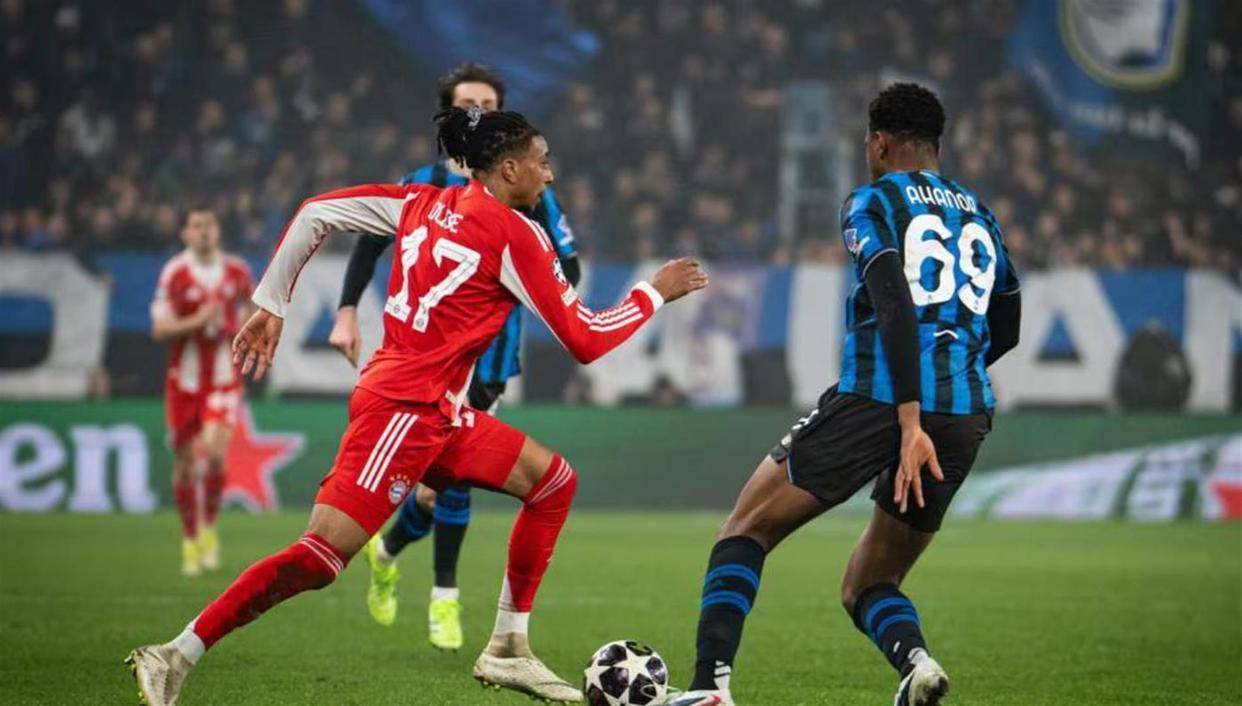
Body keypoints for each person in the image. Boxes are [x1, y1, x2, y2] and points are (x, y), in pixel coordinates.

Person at [127, 106, 708, 706]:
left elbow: (315, 212)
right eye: (542, 162)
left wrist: (272, 301)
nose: (550, 175)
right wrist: (652, 293)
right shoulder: (516, 233)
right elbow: (584, 339)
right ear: (509, 169)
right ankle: (174, 654)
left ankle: (508, 647)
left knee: (553, 482)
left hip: (435, 410)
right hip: (403, 412)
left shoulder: (420, 202)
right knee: (320, 557)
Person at [669, 83, 1021, 706]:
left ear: (879, 143)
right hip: (964, 412)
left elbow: (893, 299)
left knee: (745, 528)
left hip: (879, 399)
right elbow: (1009, 323)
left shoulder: (872, 201)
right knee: (870, 581)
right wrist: (947, 383)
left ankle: (709, 688)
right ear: (936, 145)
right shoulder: (981, 215)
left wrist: (909, 418)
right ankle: (916, 664)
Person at [328, 63, 581, 651]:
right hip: (423, 359)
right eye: (468, 105)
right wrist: (346, 309)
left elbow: (569, 268)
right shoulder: (420, 184)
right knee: (436, 487)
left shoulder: (530, 192)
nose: (478, 113)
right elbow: (368, 246)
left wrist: (527, 271)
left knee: (440, 487)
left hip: (487, 357)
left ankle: (402, 562)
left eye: (488, 105)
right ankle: (438, 588)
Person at [150, 208, 254, 578]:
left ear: (218, 231)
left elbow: (252, 313)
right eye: (196, 226)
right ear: (185, 234)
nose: (204, 231)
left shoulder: (237, 272)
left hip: (223, 380)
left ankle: (209, 528)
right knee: (184, 464)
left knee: (213, 454)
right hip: (184, 382)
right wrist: (196, 321)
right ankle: (190, 537)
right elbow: (159, 328)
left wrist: (241, 327)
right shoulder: (175, 273)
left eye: (209, 225)